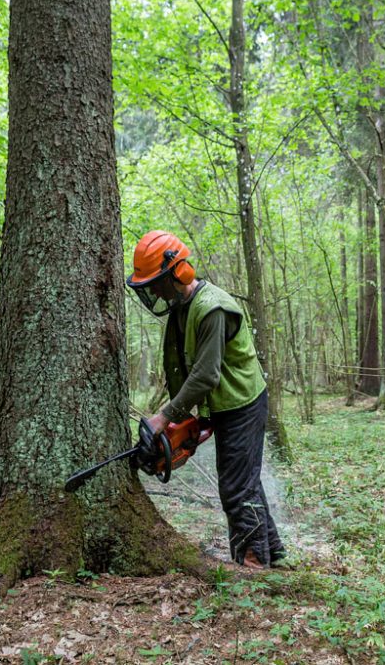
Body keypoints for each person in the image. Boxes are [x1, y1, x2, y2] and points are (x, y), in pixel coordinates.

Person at [126, 230, 285, 569]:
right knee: (244, 482)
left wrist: (165, 416)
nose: (153, 290)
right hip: (224, 404)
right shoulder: (183, 309)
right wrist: (197, 419)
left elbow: (207, 374)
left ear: (177, 273)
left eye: (156, 282)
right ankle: (274, 554)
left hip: (242, 402)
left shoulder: (212, 308)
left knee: (236, 488)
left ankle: (254, 566)